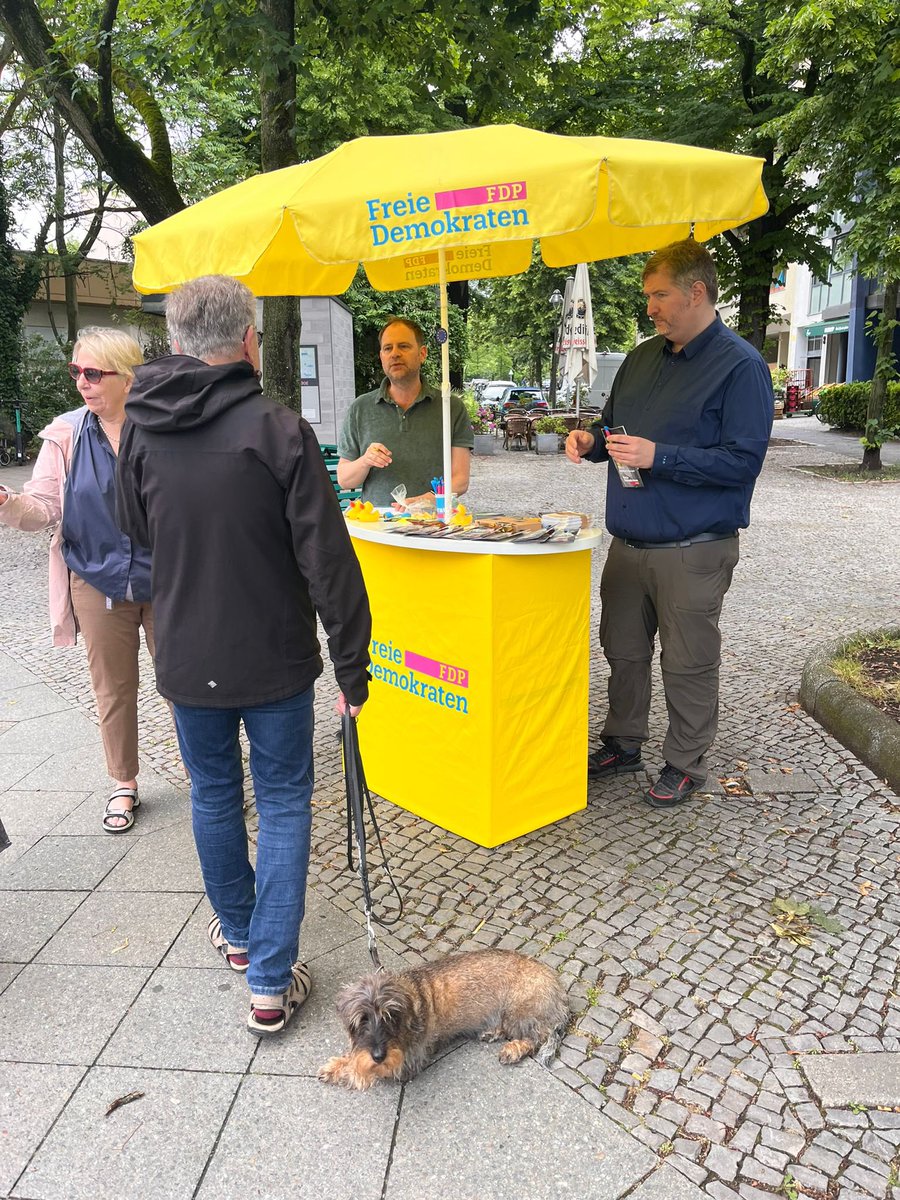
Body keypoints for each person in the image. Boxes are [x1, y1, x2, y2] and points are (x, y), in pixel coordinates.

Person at [116, 274, 371, 1037]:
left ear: (176, 340)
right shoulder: (278, 429)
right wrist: (354, 667)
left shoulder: (142, 427)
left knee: (215, 795)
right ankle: (267, 978)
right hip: (274, 657)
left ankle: (239, 937)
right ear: (249, 339)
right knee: (286, 800)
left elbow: (135, 531)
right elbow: (328, 559)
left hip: (189, 652)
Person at [566, 238, 773, 808]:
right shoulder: (640, 358)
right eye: (648, 296)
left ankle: (684, 762)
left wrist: (661, 456)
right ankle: (623, 742)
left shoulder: (741, 366)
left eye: (659, 295)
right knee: (623, 651)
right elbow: (616, 431)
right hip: (628, 542)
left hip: (694, 547)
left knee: (688, 662)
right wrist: (591, 443)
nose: (650, 307)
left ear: (697, 291)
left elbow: (743, 462)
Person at [0, 328, 151, 833]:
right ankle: (123, 782)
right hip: (97, 579)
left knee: (186, 683)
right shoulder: (65, 434)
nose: (82, 383)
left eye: (93, 373)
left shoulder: (161, 427)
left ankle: (208, 774)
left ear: (127, 378)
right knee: (113, 688)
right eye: (76, 372)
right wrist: (9, 504)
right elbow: (42, 508)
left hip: (167, 577)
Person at [337, 317, 473, 507]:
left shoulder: (450, 407)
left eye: (403, 346)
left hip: (434, 526)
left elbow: (460, 479)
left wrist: (427, 501)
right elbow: (344, 479)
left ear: (422, 353)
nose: (395, 354)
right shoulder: (360, 408)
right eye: (388, 348)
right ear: (381, 356)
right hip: (377, 528)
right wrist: (365, 461)